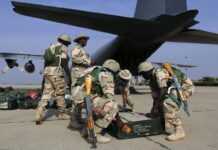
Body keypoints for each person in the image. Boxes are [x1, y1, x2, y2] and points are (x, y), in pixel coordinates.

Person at [138, 61, 194, 141]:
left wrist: (159, 104)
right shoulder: (152, 81)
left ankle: (179, 130)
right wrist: (154, 111)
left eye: (143, 73)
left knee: (168, 103)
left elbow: (163, 91)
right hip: (172, 89)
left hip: (185, 87)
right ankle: (161, 124)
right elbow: (156, 98)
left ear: (148, 70)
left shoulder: (159, 73)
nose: (142, 76)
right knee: (159, 104)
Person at [69, 59, 120, 143]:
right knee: (113, 106)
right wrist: (112, 115)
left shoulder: (93, 69)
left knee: (97, 103)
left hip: (76, 97)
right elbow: (110, 96)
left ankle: (85, 129)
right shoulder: (106, 74)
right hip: (85, 98)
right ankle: (94, 134)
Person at [35, 34, 72, 125]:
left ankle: (39, 113)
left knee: (46, 93)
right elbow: (64, 63)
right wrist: (69, 75)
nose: (67, 45)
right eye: (67, 43)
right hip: (56, 73)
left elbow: (46, 62)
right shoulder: (62, 48)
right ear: (65, 42)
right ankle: (61, 113)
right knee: (60, 93)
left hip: (47, 72)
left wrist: (44, 76)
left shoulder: (51, 47)